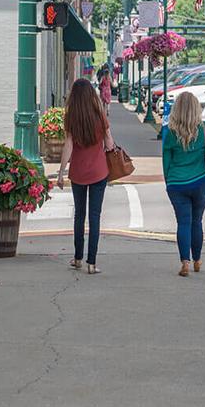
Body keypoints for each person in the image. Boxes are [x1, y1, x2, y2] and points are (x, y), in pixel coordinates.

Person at [57, 77, 114, 275]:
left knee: (79, 216)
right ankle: (92, 263)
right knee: (95, 216)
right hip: (99, 172)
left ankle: (78, 258)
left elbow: (69, 145)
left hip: (78, 173)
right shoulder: (99, 115)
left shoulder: (71, 117)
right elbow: (109, 143)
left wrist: (61, 172)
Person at [162, 91, 205, 277]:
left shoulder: (170, 132)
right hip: (201, 182)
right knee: (197, 221)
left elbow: (166, 160)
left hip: (177, 184)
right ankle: (197, 260)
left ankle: (184, 262)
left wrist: (168, 181)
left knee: (183, 222)